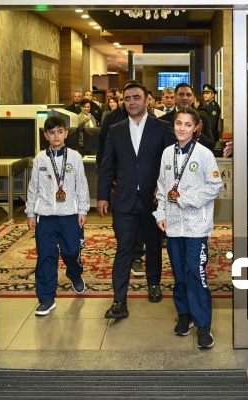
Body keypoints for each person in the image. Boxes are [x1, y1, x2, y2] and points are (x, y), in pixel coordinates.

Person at [97, 82, 176, 319]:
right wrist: (102, 196)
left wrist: (164, 187)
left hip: (153, 199)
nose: (132, 102)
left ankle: (154, 284)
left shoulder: (162, 127)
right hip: (124, 199)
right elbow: (107, 165)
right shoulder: (116, 130)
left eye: (137, 97)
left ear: (147, 100)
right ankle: (119, 300)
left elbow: (171, 162)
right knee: (124, 248)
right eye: (128, 98)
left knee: (153, 244)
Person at [154, 108, 222, 348]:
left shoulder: (204, 154)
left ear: (196, 127)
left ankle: (203, 325)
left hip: (196, 227)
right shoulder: (167, 153)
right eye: (178, 123)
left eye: (187, 124)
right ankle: (184, 315)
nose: (182, 128)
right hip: (173, 226)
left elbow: (215, 185)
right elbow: (162, 187)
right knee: (180, 274)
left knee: (196, 272)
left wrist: (184, 198)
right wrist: (161, 214)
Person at [25, 116, 91, 316]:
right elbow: (33, 187)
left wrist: (83, 210)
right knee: (45, 256)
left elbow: (82, 185)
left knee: (70, 252)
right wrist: (30, 212)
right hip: (45, 216)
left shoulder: (75, 158)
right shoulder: (40, 159)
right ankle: (46, 298)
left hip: (70, 214)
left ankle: (75, 274)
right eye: (51, 133)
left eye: (59, 132)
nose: (56, 136)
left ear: (66, 133)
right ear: (46, 135)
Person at [160, 83, 215, 150]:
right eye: (181, 94)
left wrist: (199, 135)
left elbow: (211, 145)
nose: (185, 98)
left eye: (188, 95)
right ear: (175, 98)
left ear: (193, 98)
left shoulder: (202, 118)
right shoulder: (163, 120)